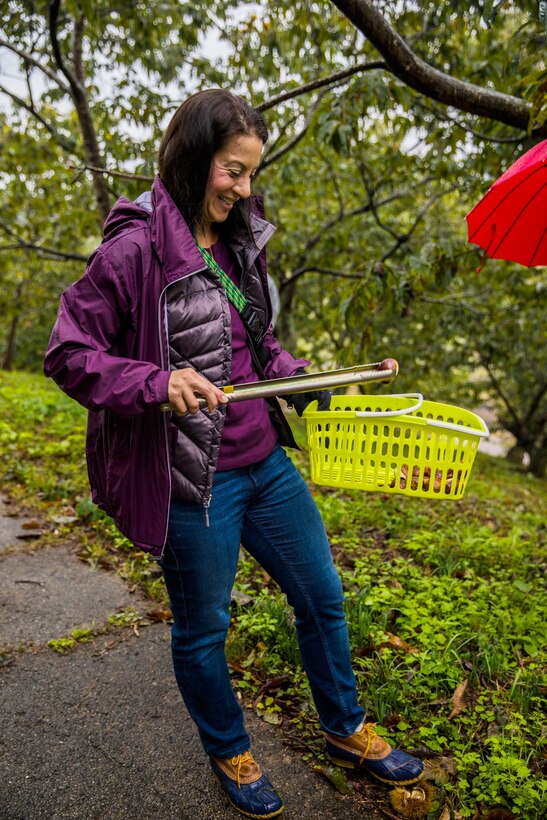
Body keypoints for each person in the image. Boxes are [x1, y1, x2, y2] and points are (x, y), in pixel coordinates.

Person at [44, 89, 423, 818]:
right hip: (192, 482)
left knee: (321, 599)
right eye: (232, 171)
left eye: (251, 173)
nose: (245, 188)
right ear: (192, 159)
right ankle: (229, 748)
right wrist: (155, 381)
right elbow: (68, 354)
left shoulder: (241, 238)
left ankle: (343, 728)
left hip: (264, 463)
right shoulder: (132, 251)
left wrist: (303, 380)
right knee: (205, 628)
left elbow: (258, 343)